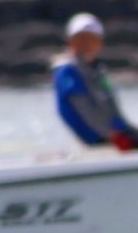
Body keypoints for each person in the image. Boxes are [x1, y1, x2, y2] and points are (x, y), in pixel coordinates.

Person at [51, 12, 136, 152]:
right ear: (71, 42)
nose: (86, 45)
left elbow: (115, 112)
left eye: (91, 39)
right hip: (100, 142)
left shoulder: (98, 71)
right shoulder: (67, 72)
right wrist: (113, 136)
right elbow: (85, 110)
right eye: (81, 39)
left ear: (99, 43)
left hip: (120, 137)